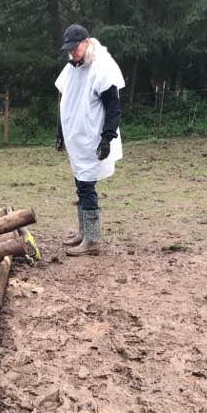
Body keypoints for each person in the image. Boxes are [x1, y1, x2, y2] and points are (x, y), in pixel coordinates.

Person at [54, 24, 124, 256]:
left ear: (86, 42)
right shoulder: (72, 68)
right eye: (69, 48)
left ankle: (93, 240)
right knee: (80, 183)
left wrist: (107, 138)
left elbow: (114, 107)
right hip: (76, 139)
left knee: (86, 186)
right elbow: (64, 100)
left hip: (92, 138)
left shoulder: (101, 68)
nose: (72, 52)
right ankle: (84, 233)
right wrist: (60, 132)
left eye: (75, 47)